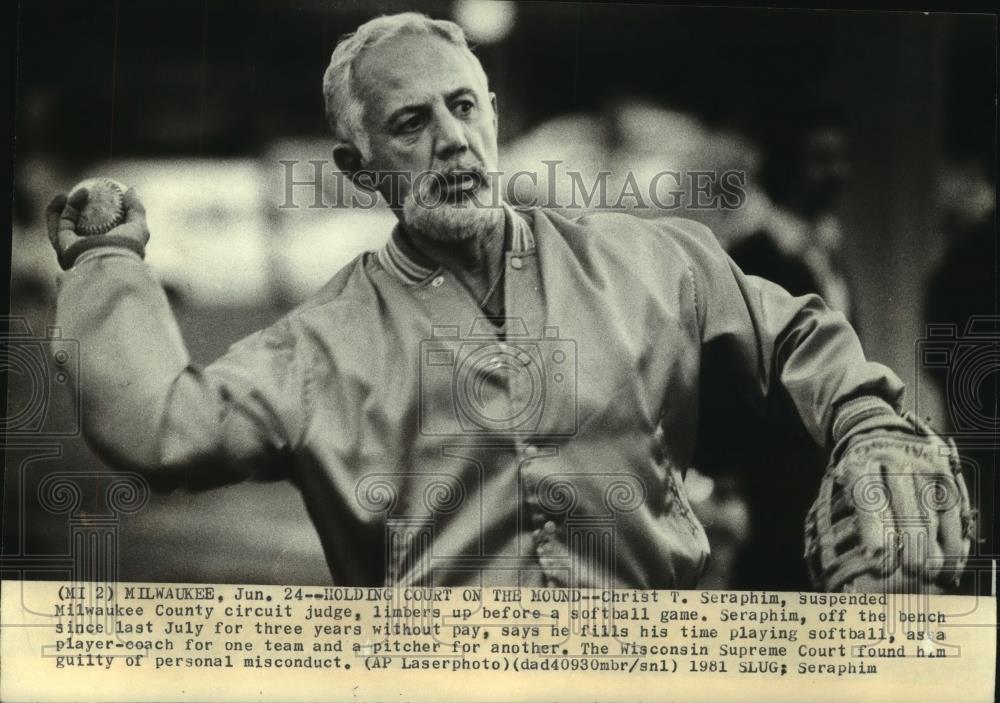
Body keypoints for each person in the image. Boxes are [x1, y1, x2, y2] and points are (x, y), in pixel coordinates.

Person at [46, 13, 967, 590]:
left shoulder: (646, 262)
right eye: (411, 123)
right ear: (359, 170)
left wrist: (869, 421)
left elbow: (795, 332)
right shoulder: (319, 348)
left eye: (463, 108)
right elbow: (161, 426)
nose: (451, 141)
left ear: (494, 114)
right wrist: (105, 264)